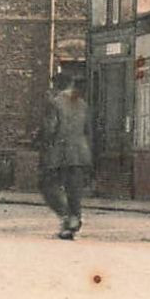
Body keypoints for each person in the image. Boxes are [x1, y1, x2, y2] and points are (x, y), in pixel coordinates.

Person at [40, 70, 92, 240]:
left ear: (56, 85)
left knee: (48, 186)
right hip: (81, 153)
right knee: (74, 189)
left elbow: (51, 128)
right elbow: (88, 130)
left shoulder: (54, 103)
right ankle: (72, 224)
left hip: (60, 152)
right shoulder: (83, 104)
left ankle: (66, 216)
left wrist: (43, 143)